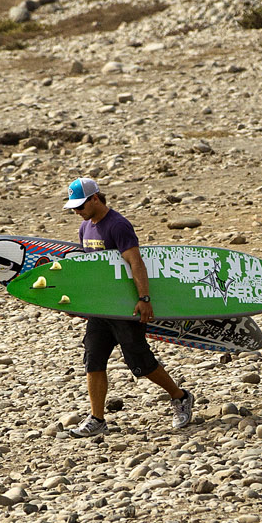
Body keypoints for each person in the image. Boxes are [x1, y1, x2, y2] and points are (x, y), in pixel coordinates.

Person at [63, 176, 194, 438]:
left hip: (125, 308)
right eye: (74, 207)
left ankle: (180, 396)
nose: (77, 211)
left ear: (95, 199)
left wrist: (144, 299)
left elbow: (136, 262)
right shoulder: (85, 228)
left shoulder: (118, 225)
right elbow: (91, 272)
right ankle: (97, 418)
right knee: (93, 359)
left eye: (80, 206)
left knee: (140, 362)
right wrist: (79, 303)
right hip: (101, 309)